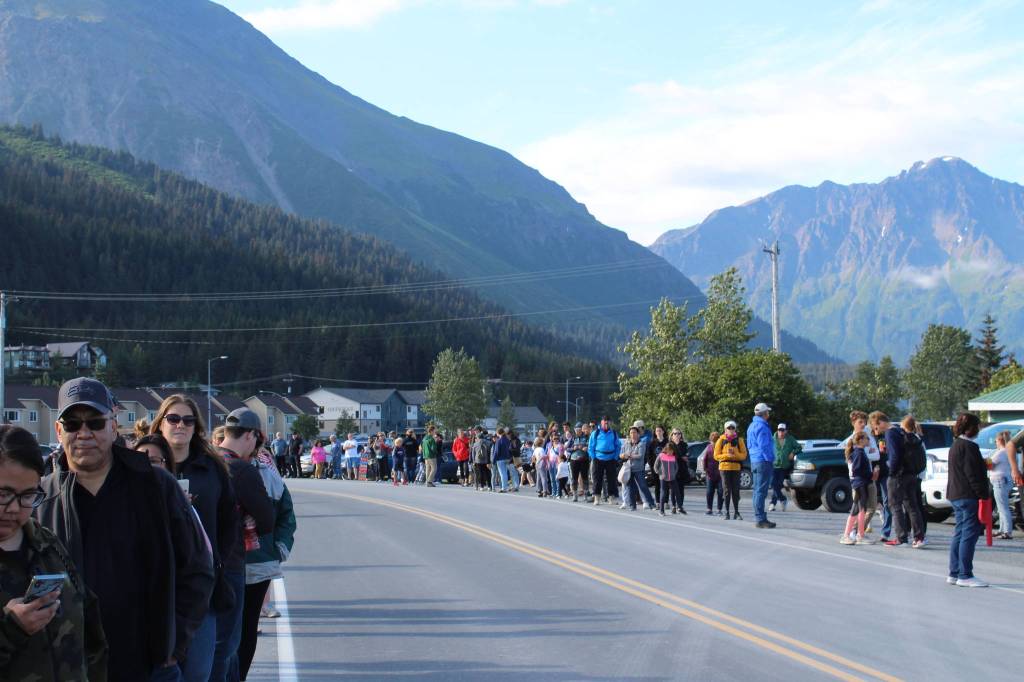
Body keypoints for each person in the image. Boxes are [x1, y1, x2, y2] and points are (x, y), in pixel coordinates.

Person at [36, 378, 214, 682]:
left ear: (113, 426)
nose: (84, 434)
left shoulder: (156, 487)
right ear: (58, 430)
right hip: (69, 668)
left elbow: (198, 568)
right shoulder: (41, 498)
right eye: (72, 424)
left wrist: (174, 643)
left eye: (95, 422)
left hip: (148, 666)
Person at [0, 425, 107, 682]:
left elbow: (90, 628)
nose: (15, 508)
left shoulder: (47, 544)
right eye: (3, 494)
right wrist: (10, 629)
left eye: (27, 496)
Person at [152, 395, 238, 682]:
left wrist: (218, 564)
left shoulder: (212, 468)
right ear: (160, 423)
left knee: (199, 671)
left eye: (188, 420)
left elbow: (228, 522)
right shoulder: (145, 463)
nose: (181, 425)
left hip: (201, 586)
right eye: (173, 419)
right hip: (155, 585)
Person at [214, 408, 276, 681]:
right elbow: (266, 519)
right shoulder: (240, 469)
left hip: (199, 561)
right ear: (250, 435)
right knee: (228, 642)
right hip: (231, 562)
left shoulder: (206, 460)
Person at [238, 447, 296, 681]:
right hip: (222, 565)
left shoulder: (267, 473)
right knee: (225, 629)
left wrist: (280, 547)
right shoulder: (215, 467)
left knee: (248, 624)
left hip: (258, 562)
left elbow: (286, 513)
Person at [946, 412, 989, 587]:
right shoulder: (970, 447)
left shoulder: (956, 445)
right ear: (971, 428)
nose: (978, 430)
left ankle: (954, 573)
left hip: (955, 494)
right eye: (977, 427)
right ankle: (965, 575)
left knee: (959, 533)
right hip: (968, 495)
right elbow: (972, 474)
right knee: (968, 536)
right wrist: (983, 495)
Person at [882, 415, 926, 548]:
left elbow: (895, 456)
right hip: (913, 474)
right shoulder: (917, 439)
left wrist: (891, 472)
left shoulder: (897, 435)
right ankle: (919, 537)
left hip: (899, 475)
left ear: (903, 425)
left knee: (895, 506)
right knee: (913, 506)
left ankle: (901, 538)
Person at [839, 432, 875, 545]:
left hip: (860, 483)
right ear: (860, 440)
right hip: (859, 483)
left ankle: (860, 535)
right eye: (867, 438)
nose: (868, 440)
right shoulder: (859, 453)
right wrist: (871, 474)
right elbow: (856, 470)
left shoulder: (859, 452)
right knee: (856, 509)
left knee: (861, 509)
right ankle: (846, 535)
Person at [746, 402, 775, 528]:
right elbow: (764, 446)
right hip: (763, 461)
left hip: (754, 460)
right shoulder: (762, 427)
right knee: (761, 491)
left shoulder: (751, 426)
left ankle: (759, 516)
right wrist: (770, 458)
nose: (769, 414)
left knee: (757, 490)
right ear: (764, 414)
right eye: (767, 412)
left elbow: (750, 445)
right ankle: (760, 518)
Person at [868, 411, 894, 541]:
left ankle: (885, 532)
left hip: (885, 473)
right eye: (876, 425)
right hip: (870, 473)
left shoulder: (887, 436)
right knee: (865, 502)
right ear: (873, 425)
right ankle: (859, 529)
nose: (878, 428)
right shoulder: (869, 437)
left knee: (887, 502)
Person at [714, 421, 747, 520]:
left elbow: (744, 455)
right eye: (729, 428)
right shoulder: (721, 440)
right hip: (724, 467)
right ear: (725, 430)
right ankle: (727, 512)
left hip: (736, 467)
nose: (731, 430)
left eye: (733, 428)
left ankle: (736, 512)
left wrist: (735, 455)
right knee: (727, 490)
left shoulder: (739, 440)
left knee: (736, 490)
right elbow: (716, 455)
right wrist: (726, 455)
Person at [620, 426, 655, 510]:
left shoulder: (641, 443)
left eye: (635, 432)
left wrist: (630, 455)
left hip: (639, 469)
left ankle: (651, 504)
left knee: (643, 486)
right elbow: (620, 455)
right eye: (631, 433)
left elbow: (640, 455)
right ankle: (632, 506)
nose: (633, 434)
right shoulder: (626, 443)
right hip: (629, 469)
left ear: (638, 434)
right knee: (630, 488)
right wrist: (623, 455)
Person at [989, 431, 1016, 539]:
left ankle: (1007, 531)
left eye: (995, 440)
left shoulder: (1001, 452)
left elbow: (990, 465)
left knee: (1003, 507)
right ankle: (1002, 529)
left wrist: (985, 461)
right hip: (1005, 480)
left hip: (999, 481)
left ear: (999, 440)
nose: (995, 442)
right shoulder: (1009, 451)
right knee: (1001, 507)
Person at [588, 417, 620, 505]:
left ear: (610, 423)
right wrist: (593, 457)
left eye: (608, 423)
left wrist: (615, 457)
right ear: (601, 423)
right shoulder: (596, 433)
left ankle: (611, 498)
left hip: (611, 459)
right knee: (597, 479)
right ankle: (597, 498)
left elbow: (618, 446)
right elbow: (591, 447)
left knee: (611, 479)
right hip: (598, 458)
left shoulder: (613, 433)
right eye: (605, 423)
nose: (606, 424)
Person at [770, 424, 801, 512]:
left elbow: (799, 447)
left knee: (779, 484)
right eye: (779, 430)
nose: (781, 432)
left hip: (785, 466)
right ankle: (782, 499)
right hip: (774, 465)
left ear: (786, 431)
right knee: (773, 484)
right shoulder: (772, 439)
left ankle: (772, 503)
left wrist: (793, 452)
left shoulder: (790, 439)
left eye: (783, 430)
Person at [653, 443, 682, 516]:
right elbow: (655, 466)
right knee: (663, 494)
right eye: (669, 451)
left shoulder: (673, 457)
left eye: (672, 451)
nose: (671, 452)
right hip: (663, 478)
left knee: (677, 492)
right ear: (666, 449)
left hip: (672, 478)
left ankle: (679, 507)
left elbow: (676, 467)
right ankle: (661, 511)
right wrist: (660, 473)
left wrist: (674, 473)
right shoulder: (661, 456)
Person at [668, 428, 690, 513]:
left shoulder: (684, 445)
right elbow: (669, 456)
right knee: (673, 489)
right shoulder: (670, 445)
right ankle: (674, 505)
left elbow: (687, 455)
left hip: (682, 469)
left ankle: (680, 506)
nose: (677, 435)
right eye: (675, 433)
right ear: (672, 435)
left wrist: (683, 457)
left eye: (679, 433)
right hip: (672, 469)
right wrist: (680, 457)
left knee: (681, 489)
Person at [702, 431, 723, 516]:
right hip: (710, 474)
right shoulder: (709, 447)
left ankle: (719, 509)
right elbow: (704, 459)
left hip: (721, 474)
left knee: (721, 492)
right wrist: (705, 470)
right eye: (712, 441)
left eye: (715, 441)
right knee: (709, 492)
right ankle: (709, 509)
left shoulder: (722, 448)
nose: (713, 442)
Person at [568, 423, 590, 502]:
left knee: (585, 478)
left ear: (582, 430)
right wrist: (574, 448)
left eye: (579, 430)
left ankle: (586, 495)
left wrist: (586, 448)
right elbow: (567, 448)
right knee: (574, 478)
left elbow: (590, 446)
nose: (578, 432)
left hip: (584, 460)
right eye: (576, 430)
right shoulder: (573, 438)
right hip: (574, 460)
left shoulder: (587, 437)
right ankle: (575, 495)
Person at [649, 426, 669, 506]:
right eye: (657, 431)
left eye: (660, 430)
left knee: (665, 486)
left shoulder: (667, 442)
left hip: (666, 467)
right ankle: (657, 502)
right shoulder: (652, 443)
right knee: (657, 485)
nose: (658, 432)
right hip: (656, 467)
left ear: (663, 432)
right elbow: (649, 455)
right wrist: (652, 465)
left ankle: (666, 502)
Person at [492, 428, 512, 492]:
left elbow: (496, 452)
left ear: (498, 433)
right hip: (507, 458)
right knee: (505, 473)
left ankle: (504, 488)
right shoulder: (507, 440)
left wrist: (493, 460)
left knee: (502, 474)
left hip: (500, 459)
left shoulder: (499, 441)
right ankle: (505, 486)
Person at [472, 427, 492, 492]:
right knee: (487, 473)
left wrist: (473, 461)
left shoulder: (475, 444)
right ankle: (489, 486)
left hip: (478, 460)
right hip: (486, 460)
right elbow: (490, 452)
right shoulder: (488, 443)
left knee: (480, 473)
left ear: (478, 437)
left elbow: (473, 454)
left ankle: (482, 486)